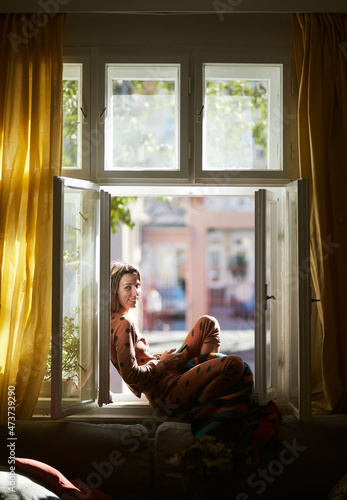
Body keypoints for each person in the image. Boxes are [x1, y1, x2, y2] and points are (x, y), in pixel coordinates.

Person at [110, 261, 245, 415]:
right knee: (235, 364)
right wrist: (162, 364)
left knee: (208, 323)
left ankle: (201, 380)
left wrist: (163, 360)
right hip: (167, 393)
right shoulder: (123, 323)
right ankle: (199, 408)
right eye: (128, 287)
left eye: (137, 285)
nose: (136, 293)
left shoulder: (119, 319)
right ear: (114, 290)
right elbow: (131, 375)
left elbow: (140, 361)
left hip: (166, 375)